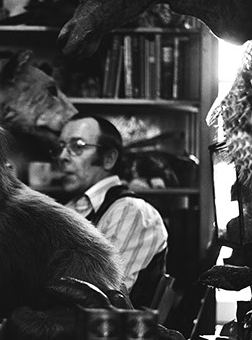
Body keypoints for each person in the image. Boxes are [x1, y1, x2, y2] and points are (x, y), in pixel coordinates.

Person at [52, 114, 169, 307]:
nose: (62, 157)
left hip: (111, 333)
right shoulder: (71, 207)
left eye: (77, 146)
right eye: (60, 147)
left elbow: (104, 298)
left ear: (109, 159)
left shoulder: (131, 212)